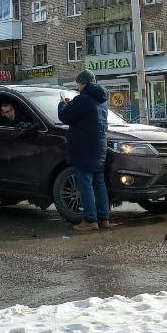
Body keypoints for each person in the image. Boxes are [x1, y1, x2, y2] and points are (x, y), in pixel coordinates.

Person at [58, 70, 110, 231]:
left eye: (78, 84)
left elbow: (65, 117)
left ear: (83, 83)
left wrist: (62, 104)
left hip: (83, 148)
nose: (77, 87)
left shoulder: (83, 99)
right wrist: (72, 103)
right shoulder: (102, 100)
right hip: (99, 147)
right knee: (99, 184)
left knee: (85, 184)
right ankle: (104, 219)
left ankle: (90, 220)